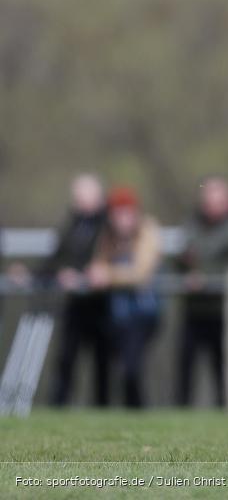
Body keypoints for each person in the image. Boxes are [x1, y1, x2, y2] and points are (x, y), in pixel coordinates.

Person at [175, 176, 228, 407]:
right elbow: (183, 257)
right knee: (186, 364)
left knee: (223, 366)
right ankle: (180, 410)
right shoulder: (192, 223)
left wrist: (206, 276)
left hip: (225, 310)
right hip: (194, 306)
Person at [87, 186, 162, 408]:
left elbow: (141, 273)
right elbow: (97, 264)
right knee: (111, 365)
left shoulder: (148, 232)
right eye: (118, 214)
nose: (123, 220)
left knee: (131, 367)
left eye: (127, 213)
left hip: (142, 313)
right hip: (115, 313)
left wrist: (108, 274)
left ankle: (136, 409)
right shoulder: (107, 237)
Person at [41, 173, 112, 407]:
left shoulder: (109, 224)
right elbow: (55, 258)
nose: (79, 201)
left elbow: (113, 258)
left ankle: (103, 409)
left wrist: (97, 272)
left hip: (104, 303)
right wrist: (62, 272)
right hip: (75, 304)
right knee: (66, 358)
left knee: (103, 362)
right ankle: (58, 407)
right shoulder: (72, 224)